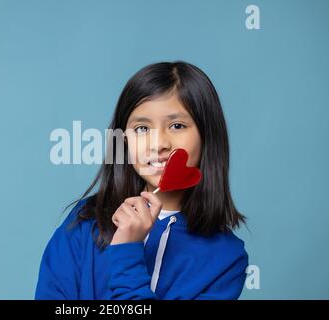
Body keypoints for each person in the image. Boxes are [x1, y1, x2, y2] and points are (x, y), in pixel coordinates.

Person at [35, 61, 248, 300]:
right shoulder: (85, 220)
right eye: (142, 128)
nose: (158, 144)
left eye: (177, 125)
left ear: (206, 136)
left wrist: (127, 251)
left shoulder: (226, 260)